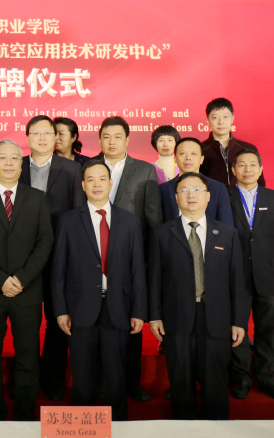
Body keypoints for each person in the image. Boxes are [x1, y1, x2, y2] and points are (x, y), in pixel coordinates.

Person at [0, 139, 54, 421]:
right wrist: (1, 280)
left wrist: (21, 279)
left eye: (14, 158)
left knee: (28, 357)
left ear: (21, 164)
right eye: (2, 158)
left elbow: (45, 242)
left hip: (27, 292)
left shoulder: (37, 198)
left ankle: (25, 417)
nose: (8, 163)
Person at [52, 159, 147, 421]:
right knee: (82, 374)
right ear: (83, 185)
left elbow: (137, 270)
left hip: (118, 308)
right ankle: (84, 427)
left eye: (102, 179)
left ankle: (117, 426)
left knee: (116, 375)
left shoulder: (130, 221)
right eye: (90, 180)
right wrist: (60, 310)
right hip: (80, 308)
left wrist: (139, 310)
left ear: (110, 183)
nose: (96, 184)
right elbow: (58, 270)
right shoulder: (68, 221)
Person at [148, 172, 248, 420]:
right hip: (177, 317)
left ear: (208, 196)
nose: (190, 195)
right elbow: (155, 279)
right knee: (181, 382)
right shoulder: (162, 233)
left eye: (197, 190)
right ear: (176, 197)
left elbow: (237, 281)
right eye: (184, 190)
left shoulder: (227, 233)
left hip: (216, 318)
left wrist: (239, 321)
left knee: (215, 382)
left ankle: (216, 429)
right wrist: (155, 316)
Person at [95, 116, 162, 401]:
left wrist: (148, 263)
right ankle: (99, 382)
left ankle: (131, 382)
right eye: (106, 136)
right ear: (99, 139)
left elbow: (153, 220)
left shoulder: (145, 170)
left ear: (127, 139)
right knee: (97, 322)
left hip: (131, 261)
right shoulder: (87, 168)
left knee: (131, 324)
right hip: (94, 259)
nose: (111, 142)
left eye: (117, 136)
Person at [19, 115, 85, 401]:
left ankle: (52, 381)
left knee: (57, 323)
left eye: (48, 133)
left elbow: (79, 216)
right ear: (28, 137)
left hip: (59, 258)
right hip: (22, 261)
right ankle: (27, 380)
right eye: (36, 133)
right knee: (25, 325)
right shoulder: (16, 165)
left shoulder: (71, 169)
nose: (43, 138)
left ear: (56, 138)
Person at [228, 150, 274, 401]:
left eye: (252, 165)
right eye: (242, 165)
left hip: (270, 276)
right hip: (234, 276)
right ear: (233, 170)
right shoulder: (223, 197)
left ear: (260, 169)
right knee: (236, 330)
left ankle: (268, 379)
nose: (247, 169)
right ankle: (241, 378)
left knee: (267, 331)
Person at [159, 138, 233, 226]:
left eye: (193, 154)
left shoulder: (217, 188)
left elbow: (226, 225)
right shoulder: (163, 189)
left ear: (202, 159)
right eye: (182, 153)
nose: (188, 158)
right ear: (175, 159)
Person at [200, 98, 265, 187]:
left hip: (242, 196)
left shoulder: (248, 148)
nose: (221, 122)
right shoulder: (200, 149)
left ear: (232, 119)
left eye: (225, 117)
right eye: (215, 117)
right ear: (208, 121)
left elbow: (259, 183)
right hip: (212, 196)